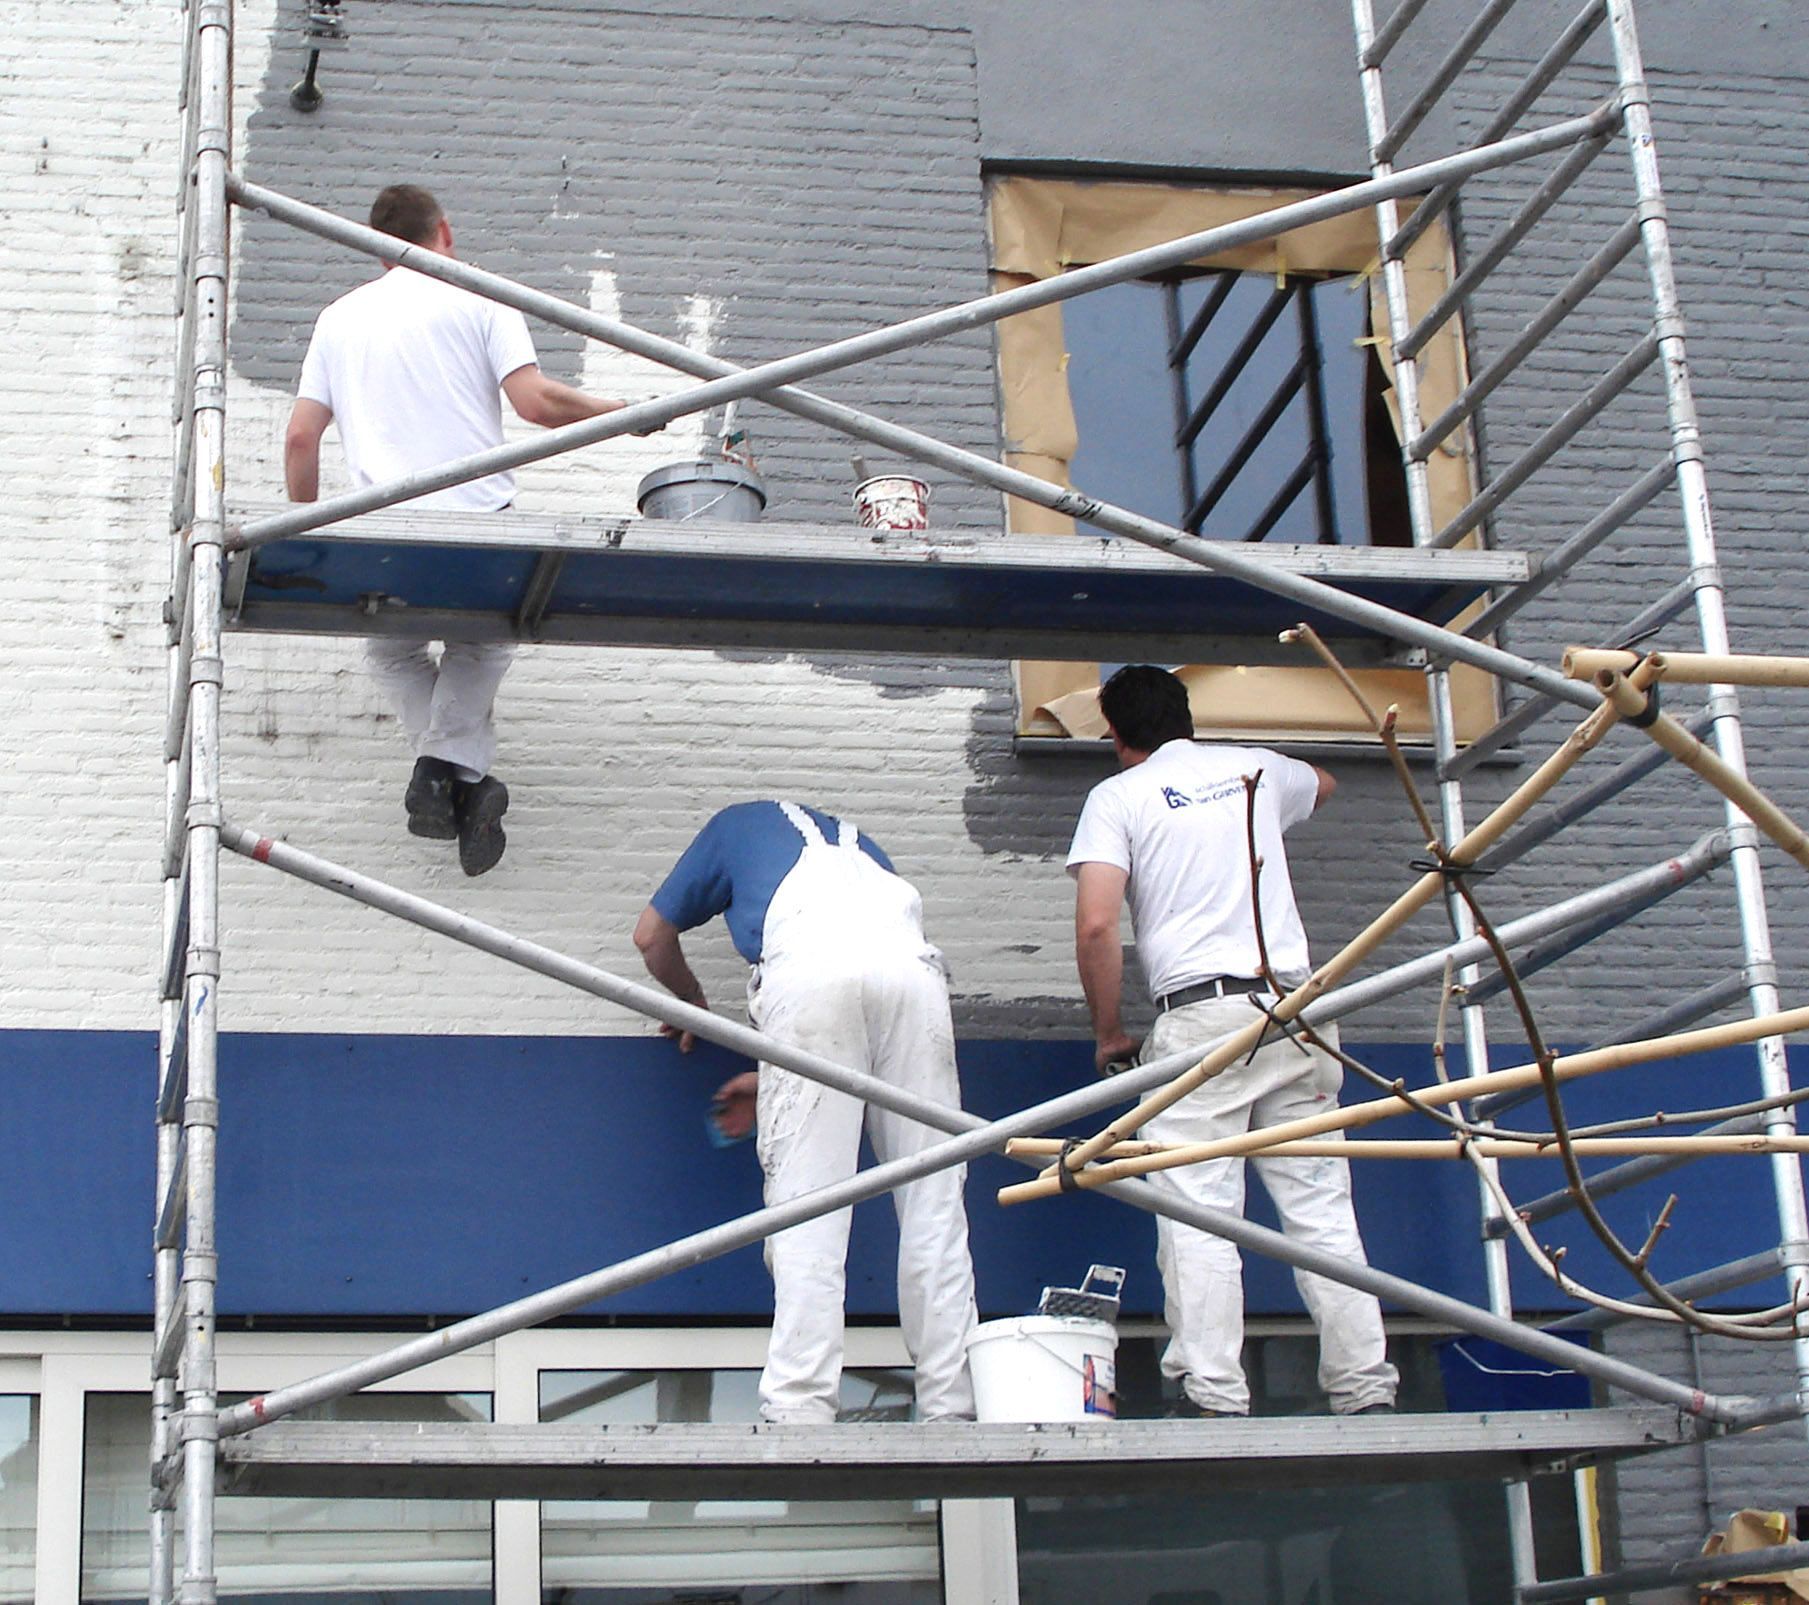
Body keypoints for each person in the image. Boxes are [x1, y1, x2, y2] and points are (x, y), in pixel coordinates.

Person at [1067, 665, 1398, 1419]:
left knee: (1199, 1205)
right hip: (1298, 1007)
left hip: (1204, 1016)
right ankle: (1364, 1387)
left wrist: (1109, 1030)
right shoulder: (1253, 769)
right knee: (1319, 1208)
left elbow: (1095, 924)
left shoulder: (1118, 796)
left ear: (1116, 737)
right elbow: (1322, 782)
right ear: (1186, 717)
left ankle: (1213, 1391)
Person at [284, 183, 631, 875]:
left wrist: (310, 530)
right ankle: (456, 775)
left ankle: (450, 777)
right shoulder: (482, 296)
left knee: (391, 654)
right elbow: (536, 404)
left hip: (385, 529)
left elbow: (300, 437)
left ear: (377, 246)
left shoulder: (338, 318)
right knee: (483, 643)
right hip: (479, 527)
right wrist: (616, 409)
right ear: (445, 229)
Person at [634, 801, 979, 1424]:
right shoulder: (863, 849)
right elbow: (863, 995)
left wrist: (691, 1003)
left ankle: (800, 1403)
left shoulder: (733, 824)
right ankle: (951, 1402)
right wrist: (771, 1080)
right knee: (935, 1199)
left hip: (809, 976)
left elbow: (651, 937)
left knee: (810, 1206)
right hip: (915, 978)